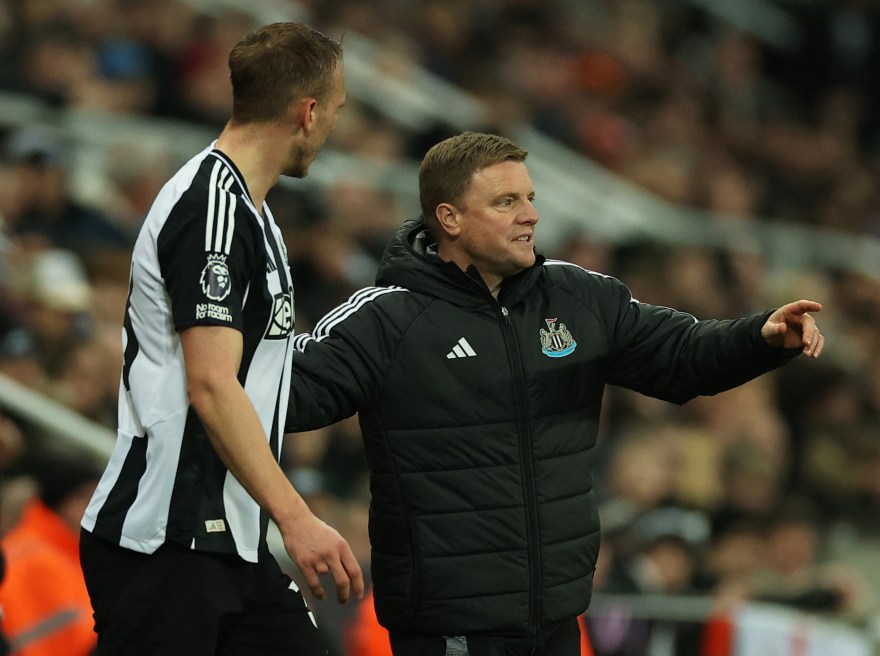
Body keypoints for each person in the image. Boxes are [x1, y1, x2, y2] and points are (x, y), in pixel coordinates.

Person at [286, 131, 826, 655]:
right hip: (451, 629)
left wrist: (760, 338)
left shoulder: (578, 298)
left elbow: (682, 354)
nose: (531, 215)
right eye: (506, 201)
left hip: (557, 619)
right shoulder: (385, 319)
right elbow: (285, 391)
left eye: (530, 198)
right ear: (449, 217)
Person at [78, 22, 363, 656]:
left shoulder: (253, 213)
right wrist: (296, 517)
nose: (336, 127)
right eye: (337, 111)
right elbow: (210, 383)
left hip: (227, 540)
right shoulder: (211, 208)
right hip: (167, 540)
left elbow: (263, 373)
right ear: (308, 111)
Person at [0, 455, 101, 656]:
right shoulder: (36, 555)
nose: (101, 508)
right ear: (64, 501)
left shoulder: (71, 559)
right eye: (90, 498)